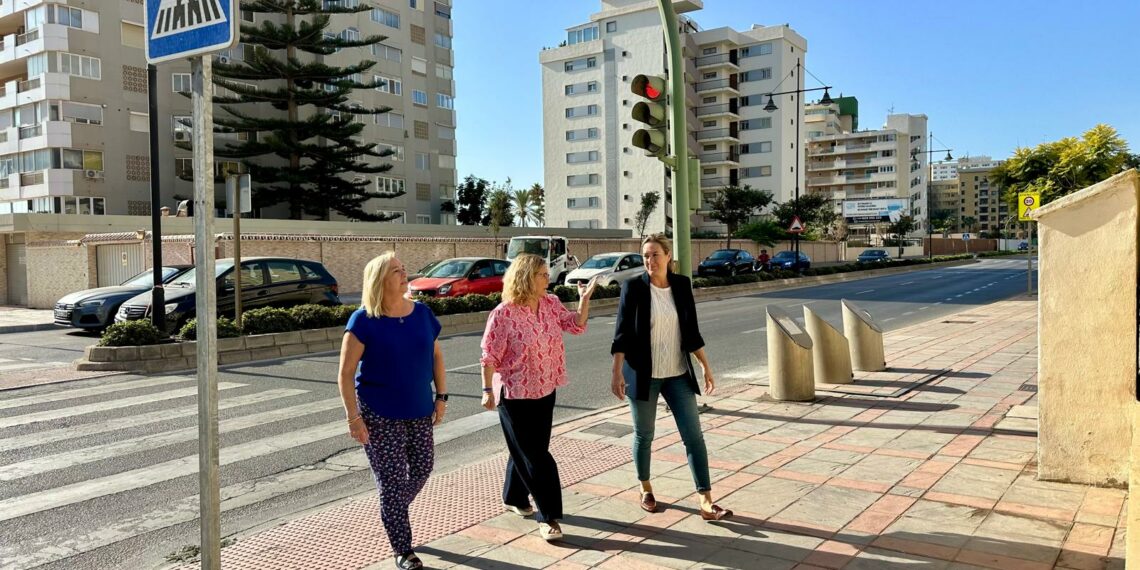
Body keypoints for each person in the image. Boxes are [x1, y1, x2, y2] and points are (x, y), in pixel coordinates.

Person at [610, 233, 733, 521]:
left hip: (678, 373)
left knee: (694, 436)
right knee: (644, 434)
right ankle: (645, 488)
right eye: (645, 256)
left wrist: (704, 364)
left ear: (668, 257)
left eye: (654, 254)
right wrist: (616, 372)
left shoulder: (681, 285)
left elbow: (691, 329)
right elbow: (622, 334)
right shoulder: (633, 288)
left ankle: (706, 499)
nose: (649, 260)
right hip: (642, 375)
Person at [338, 252, 448, 570]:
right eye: (396, 271)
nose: (404, 274)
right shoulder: (363, 320)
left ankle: (392, 510)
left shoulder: (423, 314)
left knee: (423, 468)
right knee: (392, 481)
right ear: (379, 280)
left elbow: (437, 357)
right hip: (378, 413)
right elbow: (345, 374)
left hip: (418, 408)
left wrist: (441, 397)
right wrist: (353, 418)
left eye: (403, 269)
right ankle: (403, 549)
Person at [480, 254, 599, 541]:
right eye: (542, 274)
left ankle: (513, 496)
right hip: (515, 394)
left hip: (546, 388)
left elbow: (576, 325)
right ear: (526, 278)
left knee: (527, 450)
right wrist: (486, 392)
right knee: (538, 457)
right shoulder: (503, 314)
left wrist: (583, 300)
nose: (548, 278)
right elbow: (488, 357)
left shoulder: (550, 303)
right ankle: (548, 517)